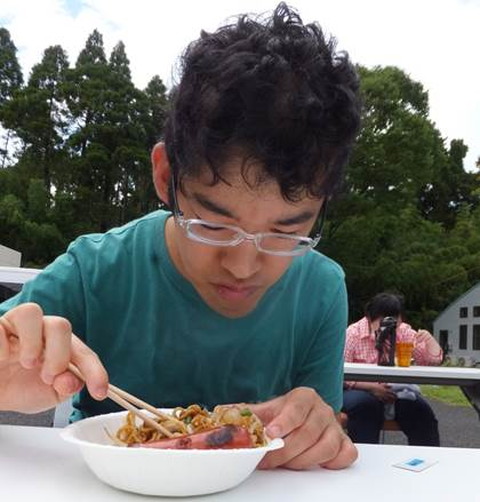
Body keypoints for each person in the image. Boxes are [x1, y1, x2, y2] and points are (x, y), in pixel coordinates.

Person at [0, 3, 361, 470]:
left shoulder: (321, 289)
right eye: (214, 226)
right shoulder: (96, 271)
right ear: (166, 176)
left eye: (286, 233)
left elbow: (329, 430)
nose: (242, 267)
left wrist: (318, 429)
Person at [343, 292, 442, 446]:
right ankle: (365, 456)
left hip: (395, 390)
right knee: (365, 406)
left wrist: (429, 340)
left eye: (395, 321)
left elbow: (431, 361)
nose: (389, 327)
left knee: (419, 410)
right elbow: (340, 373)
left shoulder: (403, 332)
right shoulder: (353, 334)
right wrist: (371, 387)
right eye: (384, 321)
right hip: (359, 389)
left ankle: (426, 457)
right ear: (369, 318)